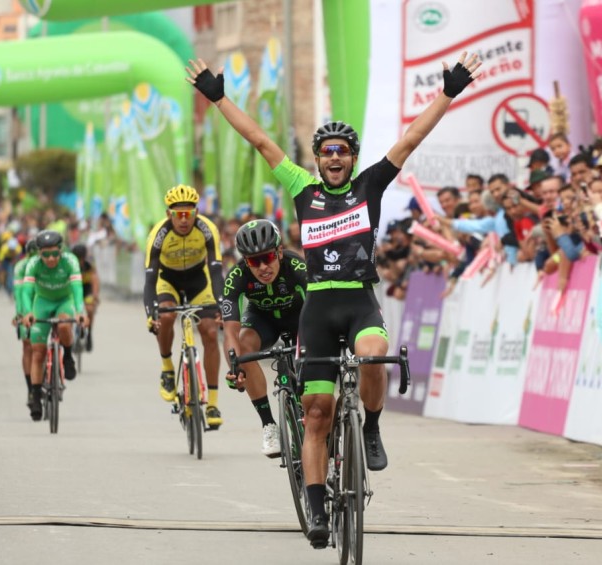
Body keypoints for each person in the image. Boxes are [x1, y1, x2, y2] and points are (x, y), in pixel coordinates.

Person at [186, 51, 480, 548]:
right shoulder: (302, 188)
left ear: (352, 155)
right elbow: (259, 140)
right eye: (327, 152)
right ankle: (318, 508)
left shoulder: (370, 185)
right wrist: (218, 99)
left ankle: (371, 427)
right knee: (317, 411)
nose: (336, 158)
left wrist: (448, 93)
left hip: (359, 301)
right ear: (318, 159)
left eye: (343, 150)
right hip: (318, 309)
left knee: (370, 356)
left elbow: (411, 139)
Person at [222, 219, 307, 457]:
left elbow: (318, 310)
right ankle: (269, 424)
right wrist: (235, 366)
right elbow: (229, 331)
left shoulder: (296, 266)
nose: (262, 267)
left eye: (267, 257)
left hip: (300, 318)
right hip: (263, 321)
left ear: (279, 252)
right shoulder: (237, 275)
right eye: (253, 261)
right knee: (244, 345)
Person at [143, 184, 225, 428]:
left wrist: (221, 305)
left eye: (188, 213)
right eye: (178, 214)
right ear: (169, 214)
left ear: (196, 212)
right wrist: (151, 313)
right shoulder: (158, 234)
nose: (183, 219)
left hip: (198, 281)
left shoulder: (208, 229)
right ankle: (167, 367)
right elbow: (149, 280)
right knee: (166, 317)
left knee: (210, 332)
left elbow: (216, 271)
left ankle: (212, 403)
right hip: (168, 280)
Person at [22, 230, 88, 422]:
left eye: (54, 254)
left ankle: (67, 357)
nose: (50, 259)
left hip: (63, 301)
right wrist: (27, 312)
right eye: (45, 255)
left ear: (61, 250)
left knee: (65, 326)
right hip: (41, 302)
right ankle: (35, 396)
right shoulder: (33, 264)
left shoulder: (70, 261)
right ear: (39, 253)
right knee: (38, 352)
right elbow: (27, 291)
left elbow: (77, 288)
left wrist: (80, 312)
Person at [13, 238, 38, 398]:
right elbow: (19, 293)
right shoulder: (21, 266)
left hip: (44, 300)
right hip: (26, 304)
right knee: (28, 346)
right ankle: (30, 388)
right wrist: (20, 315)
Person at [71, 243, 100, 352]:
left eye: (81, 258)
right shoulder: (70, 265)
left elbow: (95, 281)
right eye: (77, 258)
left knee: (90, 309)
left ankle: (89, 334)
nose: (79, 261)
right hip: (73, 289)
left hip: (86, 289)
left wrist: (95, 295)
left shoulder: (89, 266)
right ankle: (72, 337)